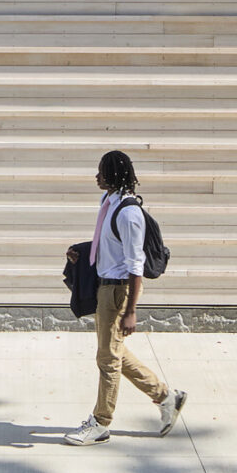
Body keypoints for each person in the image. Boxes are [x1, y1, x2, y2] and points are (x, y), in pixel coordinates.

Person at [65, 150, 187, 446]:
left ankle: (100, 423)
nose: (97, 176)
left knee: (107, 358)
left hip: (120, 290)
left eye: (102, 172)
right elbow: (109, 245)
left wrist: (131, 310)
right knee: (114, 351)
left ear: (114, 175)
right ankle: (166, 397)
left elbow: (135, 265)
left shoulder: (129, 214)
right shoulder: (108, 201)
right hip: (104, 285)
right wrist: (82, 251)